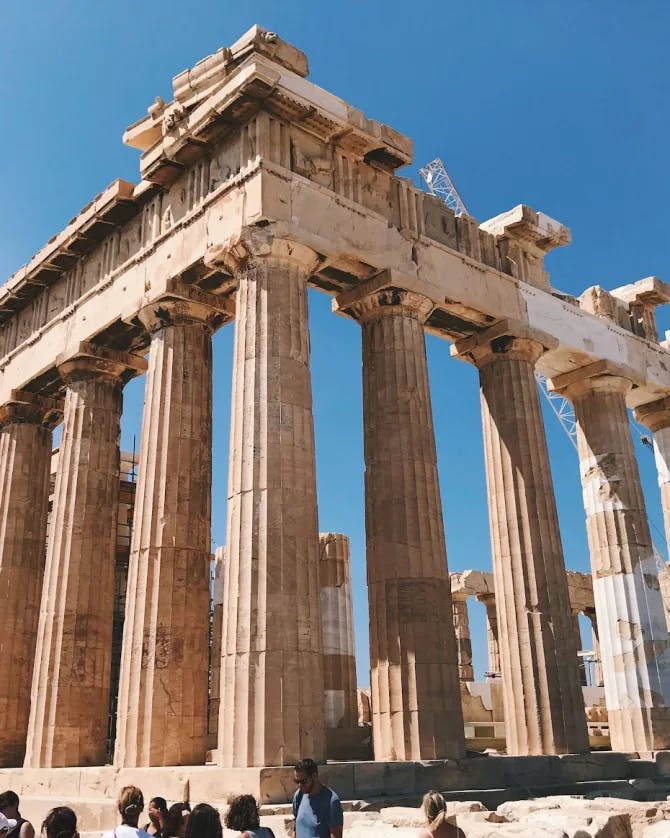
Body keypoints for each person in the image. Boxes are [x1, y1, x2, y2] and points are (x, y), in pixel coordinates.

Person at [292, 759, 343, 838]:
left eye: (303, 781)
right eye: (297, 781)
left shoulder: (331, 801)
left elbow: (336, 835)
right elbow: (295, 829)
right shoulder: (299, 795)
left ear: (314, 776)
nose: (299, 785)